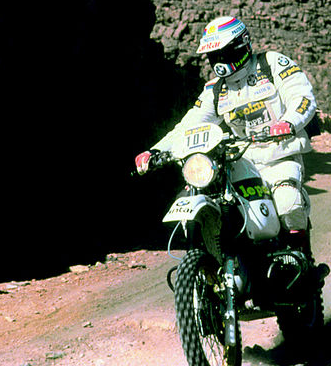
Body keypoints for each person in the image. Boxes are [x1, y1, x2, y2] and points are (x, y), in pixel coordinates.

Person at [135, 16, 319, 256]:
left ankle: (300, 260)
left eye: (224, 54)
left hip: (279, 155)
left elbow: (302, 97)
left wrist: (288, 122)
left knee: (288, 203)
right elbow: (188, 124)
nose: (219, 62)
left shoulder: (272, 64)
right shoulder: (215, 89)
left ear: (241, 46)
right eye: (214, 56)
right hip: (241, 161)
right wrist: (156, 150)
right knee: (213, 197)